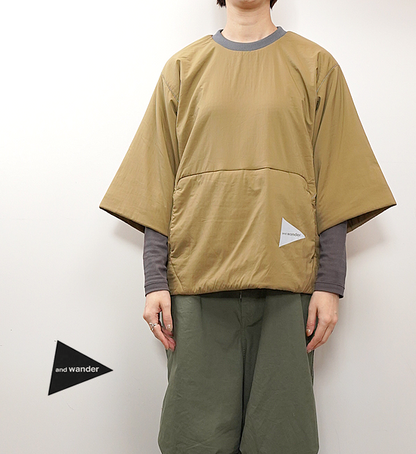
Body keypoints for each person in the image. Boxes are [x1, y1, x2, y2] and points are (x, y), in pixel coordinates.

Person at [100, 1, 396, 452]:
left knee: (282, 437)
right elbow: (156, 179)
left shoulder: (316, 66)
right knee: (193, 439)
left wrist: (330, 283)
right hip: (195, 282)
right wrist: (154, 281)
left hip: (287, 283)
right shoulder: (183, 68)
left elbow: (338, 176)